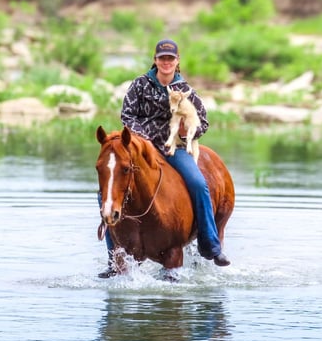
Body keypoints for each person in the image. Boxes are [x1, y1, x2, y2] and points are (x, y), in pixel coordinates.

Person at [99, 39, 231, 277]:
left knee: (199, 184)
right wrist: (144, 137)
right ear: (155, 60)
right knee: (106, 190)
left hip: (174, 149)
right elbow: (127, 115)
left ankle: (211, 246)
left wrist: (187, 132)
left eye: (170, 58)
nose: (166, 62)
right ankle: (113, 258)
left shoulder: (186, 90)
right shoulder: (139, 85)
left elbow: (202, 121)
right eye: (162, 58)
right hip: (141, 149)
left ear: (177, 61)